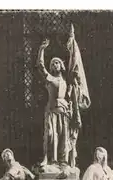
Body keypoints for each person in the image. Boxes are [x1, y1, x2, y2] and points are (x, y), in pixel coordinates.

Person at [37, 27, 90, 169]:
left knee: (63, 136)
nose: (55, 64)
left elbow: (75, 75)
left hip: (64, 111)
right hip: (52, 110)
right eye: (53, 63)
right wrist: (42, 50)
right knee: (51, 135)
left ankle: (63, 161)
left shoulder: (67, 81)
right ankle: (51, 161)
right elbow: (40, 67)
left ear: (62, 66)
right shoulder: (49, 78)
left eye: (57, 62)